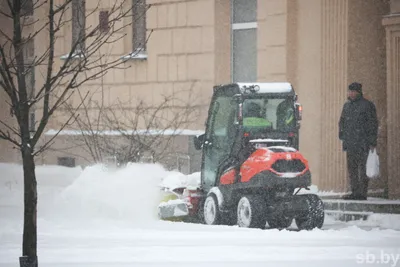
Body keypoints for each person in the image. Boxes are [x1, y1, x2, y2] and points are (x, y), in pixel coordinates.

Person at [339, 82, 378, 200]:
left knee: (363, 168)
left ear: (358, 92)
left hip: (363, 143)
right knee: (352, 169)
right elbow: (342, 122)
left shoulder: (367, 105)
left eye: (353, 91)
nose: (350, 93)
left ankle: (362, 193)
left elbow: (373, 124)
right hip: (351, 143)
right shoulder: (347, 106)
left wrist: (372, 142)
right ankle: (354, 191)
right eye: (349, 91)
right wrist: (342, 136)